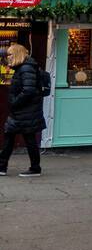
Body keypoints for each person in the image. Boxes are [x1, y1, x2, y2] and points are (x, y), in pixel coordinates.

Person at [0, 44, 49, 177]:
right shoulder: (22, 68)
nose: (8, 57)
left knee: (28, 139)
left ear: (17, 54)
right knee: (10, 138)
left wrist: (15, 102)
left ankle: (35, 168)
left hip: (26, 111)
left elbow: (28, 90)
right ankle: (2, 167)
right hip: (21, 111)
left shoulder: (26, 68)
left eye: (10, 54)